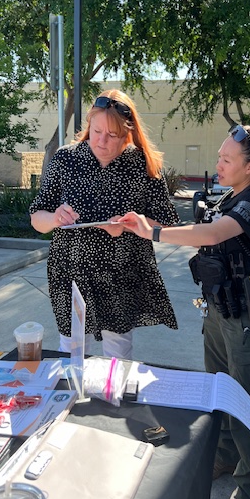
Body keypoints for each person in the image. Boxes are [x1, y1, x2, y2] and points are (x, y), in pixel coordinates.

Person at [120, 116, 250, 499]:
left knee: (248, 407)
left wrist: (152, 232)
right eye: (219, 156)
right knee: (220, 393)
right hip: (220, 312)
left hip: (248, 320)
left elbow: (212, 235)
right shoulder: (231, 196)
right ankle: (227, 454)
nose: (220, 163)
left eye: (228, 159)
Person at [29, 89, 180, 359]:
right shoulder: (65, 159)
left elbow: (166, 226)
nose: (101, 141)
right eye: (96, 131)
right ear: (89, 124)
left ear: (127, 133)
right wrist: (54, 218)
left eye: (112, 135)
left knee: (118, 356)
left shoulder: (143, 165)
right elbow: (36, 217)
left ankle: (114, 401)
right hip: (70, 274)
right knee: (73, 353)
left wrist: (130, 226)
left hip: (120, 275)